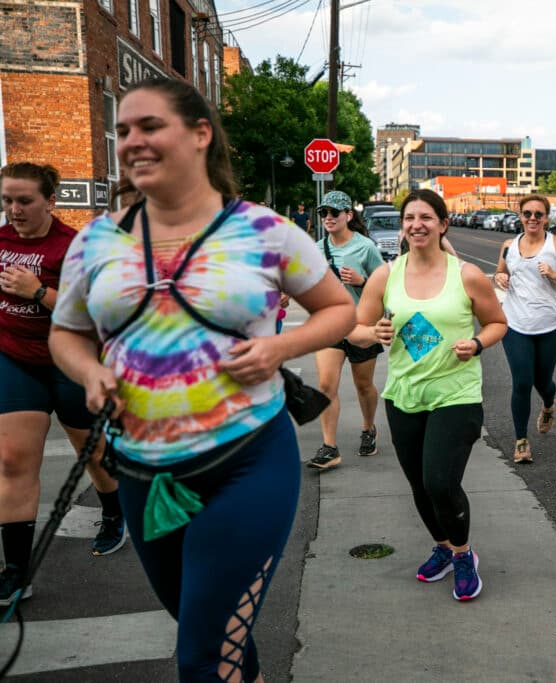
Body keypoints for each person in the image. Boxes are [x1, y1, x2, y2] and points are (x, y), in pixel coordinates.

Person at [49, 77, 354, 681]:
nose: (132, 140)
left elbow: (338, 309)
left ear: (199, 134)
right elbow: (67, 333)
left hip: (245, 464)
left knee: (202, 659)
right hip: (143, 472)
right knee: (208, 629)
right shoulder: (96, 241)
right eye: (124, 130)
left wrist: (276, 348)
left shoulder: (265, 232)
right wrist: (88, 372)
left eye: (150, 126)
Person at [349, 189, 506, 600]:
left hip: (456, 394)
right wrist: (373, 332)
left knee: (439, 481)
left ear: (442, 224)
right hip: (404, 394)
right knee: (419, 485)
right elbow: (355, 327)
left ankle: (463, 555)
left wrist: (477, 343)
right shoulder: (386, 275)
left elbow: (497, 323)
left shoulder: (466, 274)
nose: (416, 225)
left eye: (425, 217)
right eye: (409, 218)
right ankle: (442, 545)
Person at [0, 162, 127, 606]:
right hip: (15, 359)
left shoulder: (73, 247)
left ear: (49, 201)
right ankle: (16, 572)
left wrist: (37, 292)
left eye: (24, 201)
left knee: (91, 452)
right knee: (13, 459)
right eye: (7, 200)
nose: (14, 210)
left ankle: (114, 511)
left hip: (68, 359)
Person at [493, 194, 556, 463]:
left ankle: (548, 404)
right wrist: (500, 276)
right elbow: (502, 272)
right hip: (516, 323)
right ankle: (521, 441)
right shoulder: (509, 245)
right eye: (527, 213)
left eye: (538, 214)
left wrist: (554, 274)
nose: (533, 218)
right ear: (520, 216)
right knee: (522, 381)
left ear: (546, 218)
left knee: (543, 381)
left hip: (551, 324)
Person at [307, 191, 385, 470]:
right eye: (323, 213)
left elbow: (384, 286)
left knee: (363, 385)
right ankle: (329, 447)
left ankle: (368, 428)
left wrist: (362, 281)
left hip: (361, 326)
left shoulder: (365, 248)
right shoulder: (316, 249)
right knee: (326, 386)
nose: (328, 217)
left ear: (348, 216)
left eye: (334, 212)